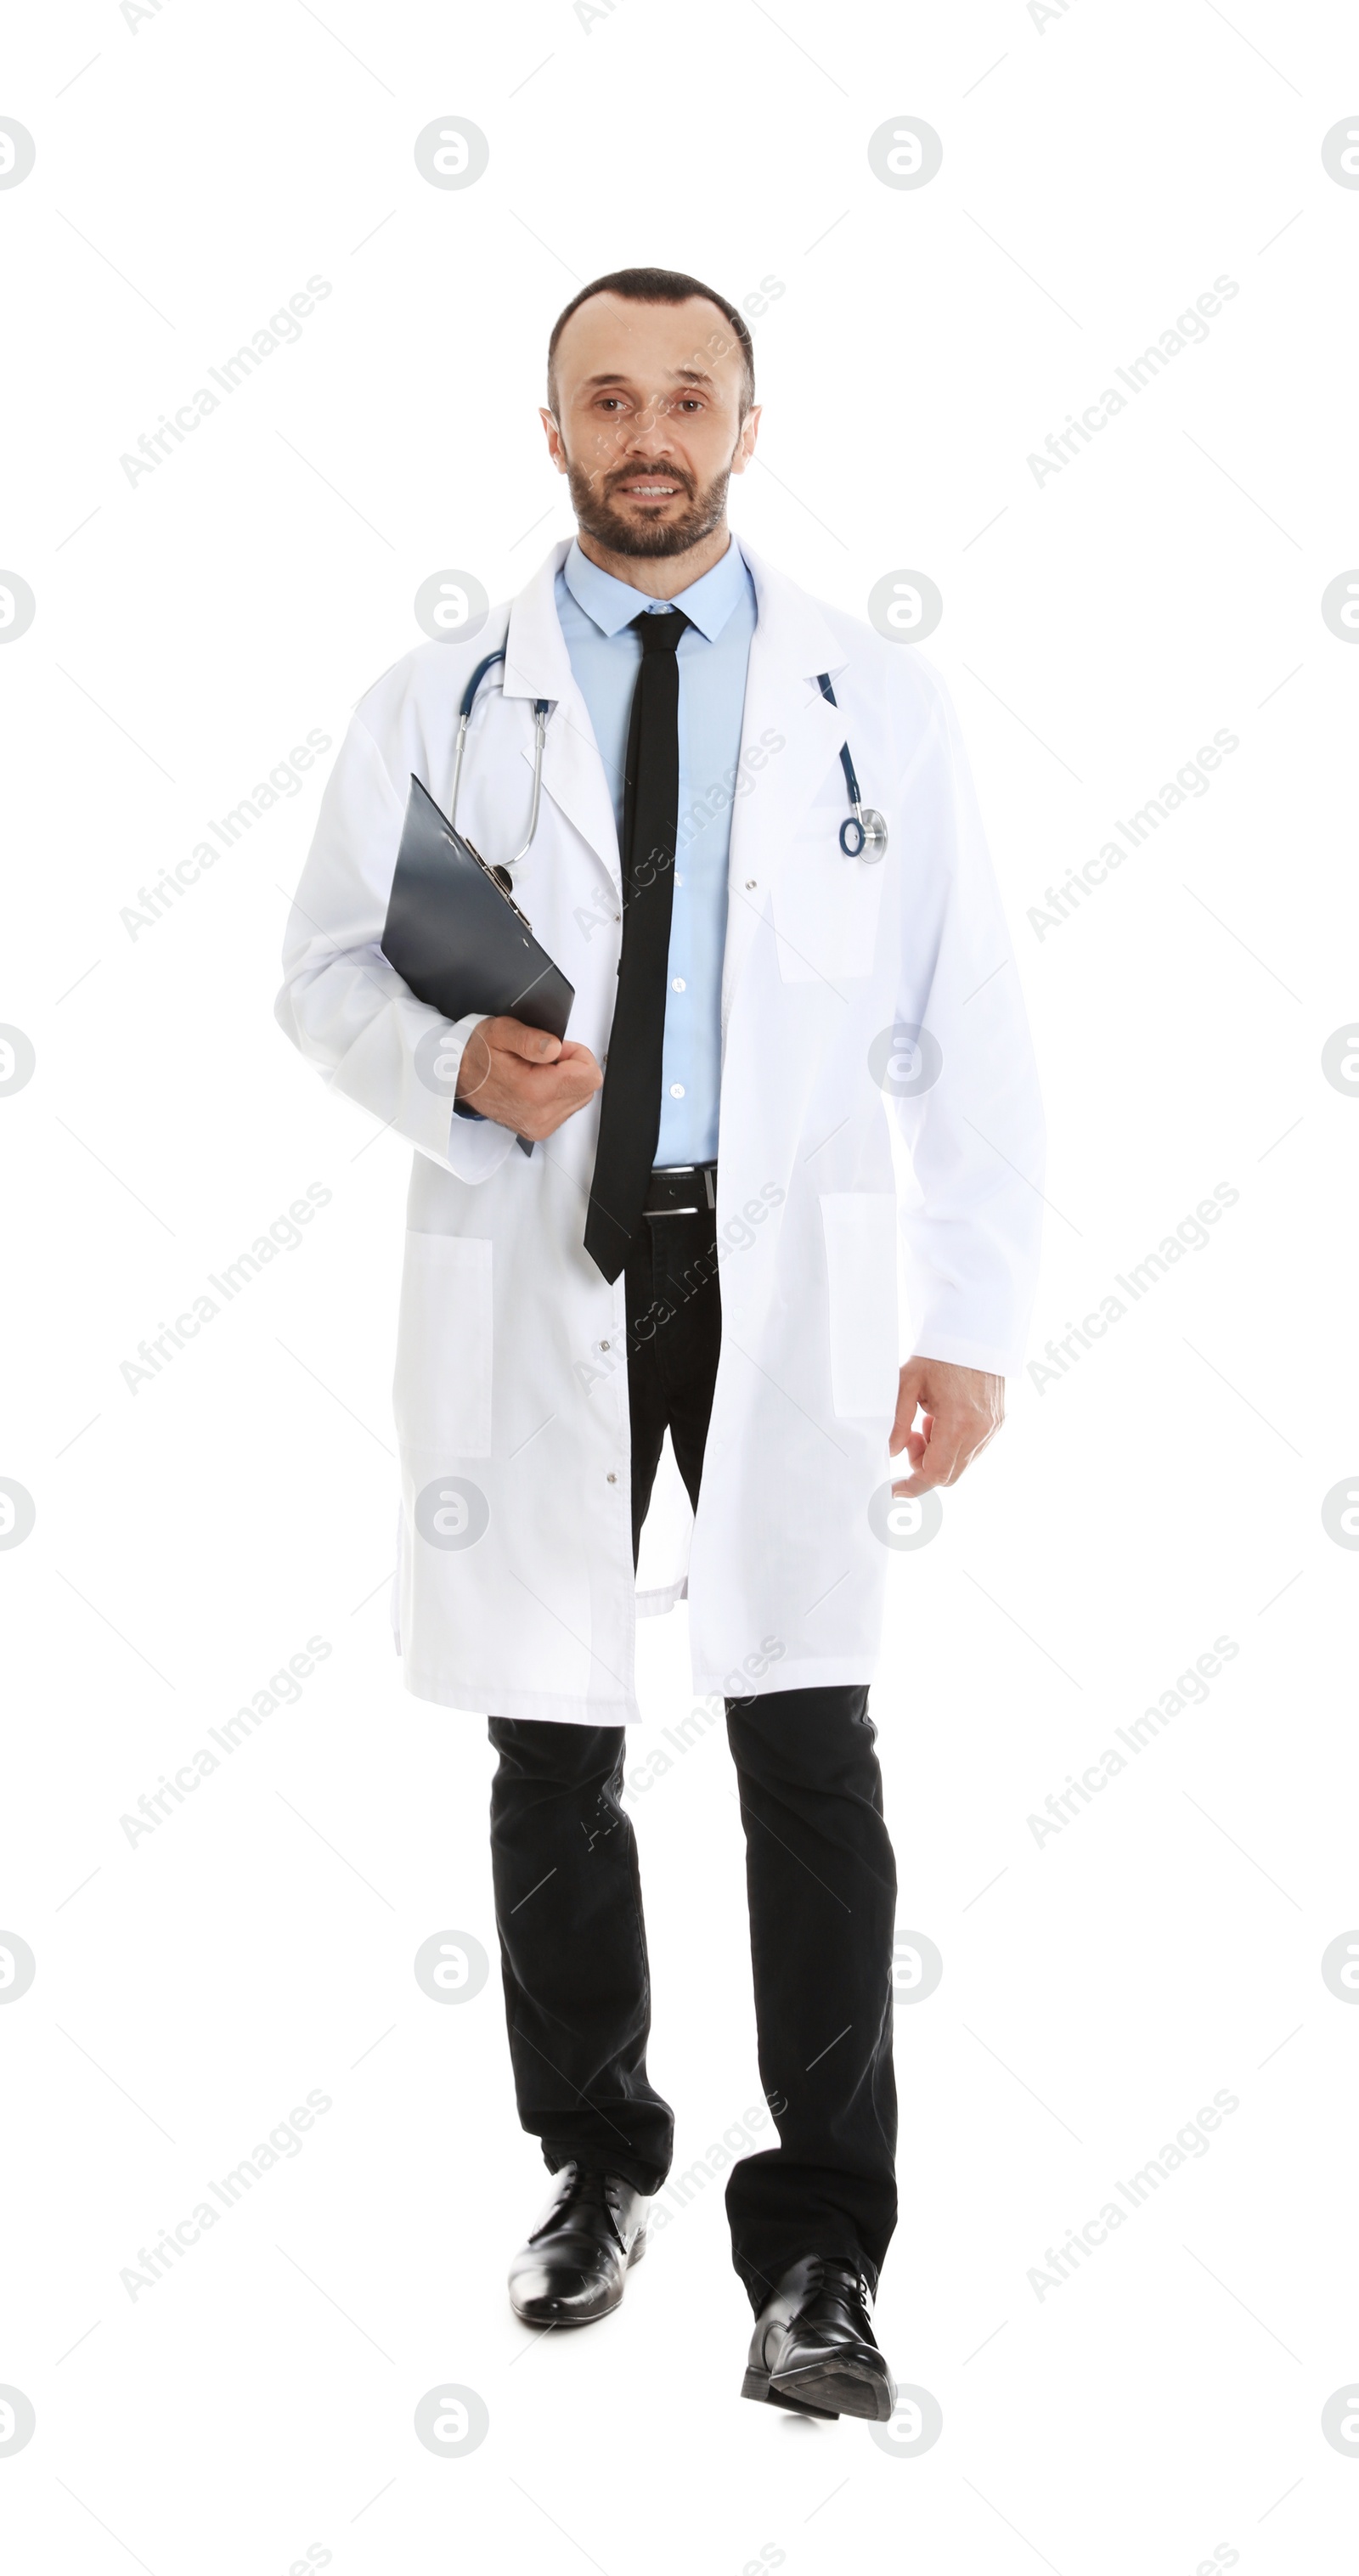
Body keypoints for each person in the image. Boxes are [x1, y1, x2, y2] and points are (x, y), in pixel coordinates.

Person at [276, 265, 1044, 2422]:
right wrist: (455, 1073)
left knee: (808, 1747)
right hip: (547, 1258)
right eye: (605, 396)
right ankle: (593, 2163)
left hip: (785, 1276)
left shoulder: (864, 698)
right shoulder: (440, 696)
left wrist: (969, 1319)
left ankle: (815, 2254)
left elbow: (966, 1021)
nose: (646, 430)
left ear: (743, 424)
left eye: (683, 396)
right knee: (550, 1735)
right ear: (549, 430)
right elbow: (324, 972)